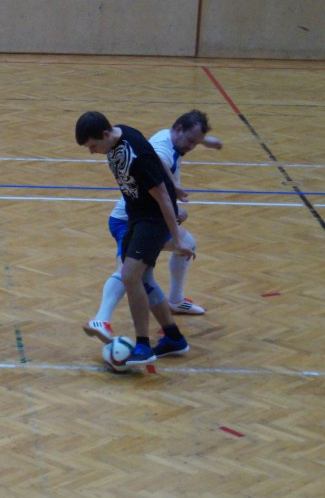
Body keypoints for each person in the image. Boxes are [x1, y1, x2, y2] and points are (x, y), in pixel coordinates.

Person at [83, 110, 223, 342]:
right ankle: (104, 320)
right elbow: (156, 169)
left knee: (148, 270)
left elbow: (160, 159)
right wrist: (175, 202)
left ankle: (174, 310)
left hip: (144, 216)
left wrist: (205, 141)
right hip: (129, 219)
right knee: (130, 273)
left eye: (195, 142)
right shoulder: (160, 151)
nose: (191, 146)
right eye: (191, 141)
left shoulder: (167, 135)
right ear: (178, 129)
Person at [75, 111, 195, 365]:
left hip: (153, 220)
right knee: (144, 278)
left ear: (105, 134)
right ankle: (174, 338)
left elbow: (163, 197)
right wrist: (174, 184)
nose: (92, 152)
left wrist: (177, 239)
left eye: (93, 146)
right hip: (136, 216)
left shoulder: (134, 156)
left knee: (130, 276)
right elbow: (157, 160)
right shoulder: (117, 136)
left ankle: (143, 346)